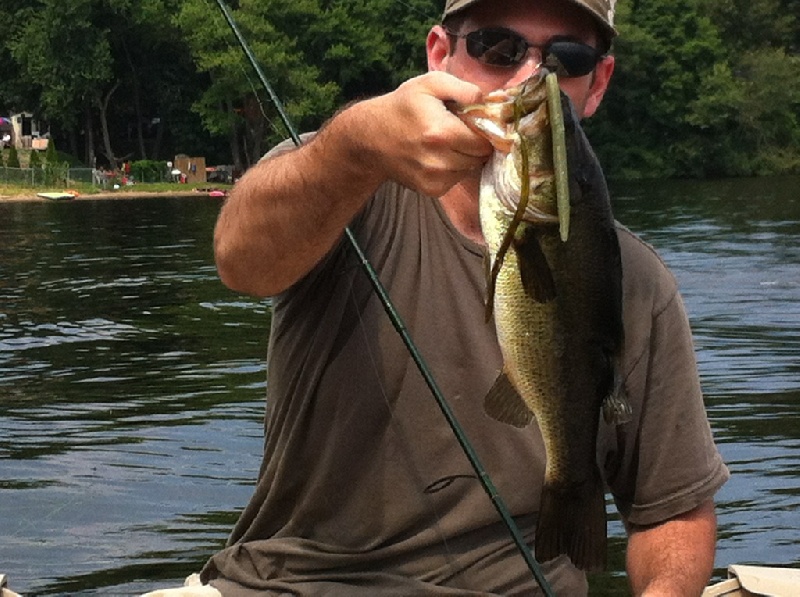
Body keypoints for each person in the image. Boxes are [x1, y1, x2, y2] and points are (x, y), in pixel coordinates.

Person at [188, 0, 730, 595]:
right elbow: (241, 262)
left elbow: (673, 508)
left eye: (565, 58)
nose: (529, 77)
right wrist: (353, 146)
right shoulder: (343, 181)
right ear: (439, 55)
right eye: (495, 47)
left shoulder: (638, 280)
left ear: (596, 83)